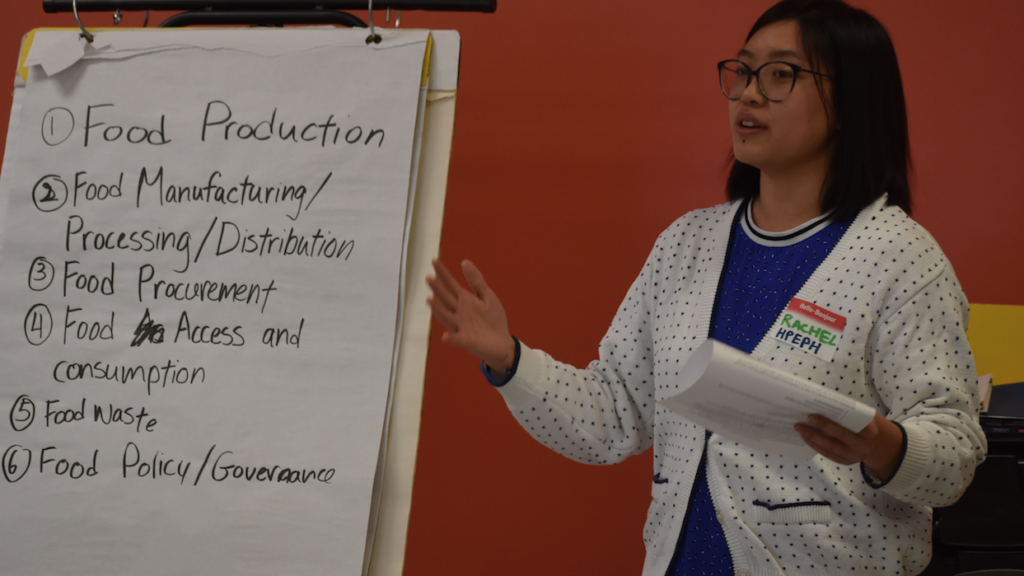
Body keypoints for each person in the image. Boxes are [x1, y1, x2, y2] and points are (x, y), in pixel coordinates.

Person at [426, 0, 986, 574]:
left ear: (851, 101)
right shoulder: (685, 244)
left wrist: (885, 446)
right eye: (743, 71)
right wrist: (510, 359)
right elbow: (612, 417)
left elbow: (957, 456)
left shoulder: (898, 256)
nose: (749, 93)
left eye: (780, 75)